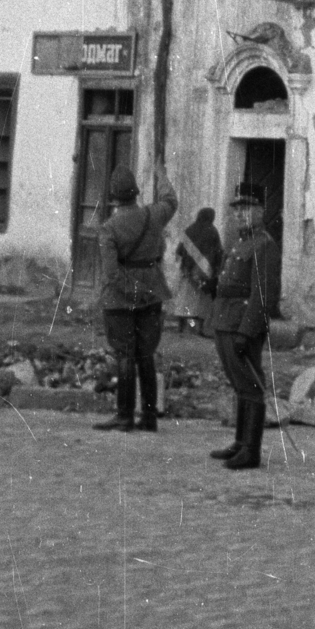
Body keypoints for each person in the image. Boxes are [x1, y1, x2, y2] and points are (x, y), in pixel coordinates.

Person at [93, 161, 177, 434]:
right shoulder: (154, 215)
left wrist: (130, 290)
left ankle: (125, 415)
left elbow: (111, 273)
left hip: (119, 299)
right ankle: (149, 417)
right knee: (146, 355)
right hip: (152, 293)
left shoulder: (109, 228)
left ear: (114, 197)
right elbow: (170, 199)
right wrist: (160, 174)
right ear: (136, 193)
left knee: (125, 355)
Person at [210, 182, 281, 472]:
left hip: (241, 325)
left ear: (261, 211)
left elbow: (263, 295)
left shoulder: (264, 245)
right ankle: (240, 443)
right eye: (237, 209)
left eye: (247, 209)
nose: (241, 214)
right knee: (240, 383)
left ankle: (251, 451)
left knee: (251, 385)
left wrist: (246, 332)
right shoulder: (241, 242)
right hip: (225, 321)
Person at [174, 206, 223, 336]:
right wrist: (217, 267)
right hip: (204, 272)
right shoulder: (212, 231)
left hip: (187, 272)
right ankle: (199, 329)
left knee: (185, 300)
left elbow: (179, 250)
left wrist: (185, 265)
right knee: (202, 301)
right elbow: (218, 251)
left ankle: (181, 326)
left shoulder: (189, 230)